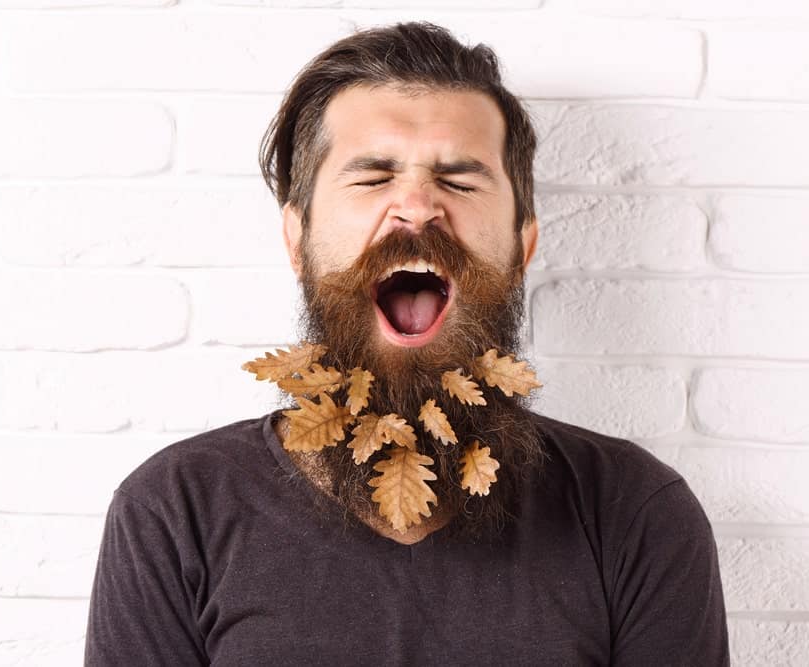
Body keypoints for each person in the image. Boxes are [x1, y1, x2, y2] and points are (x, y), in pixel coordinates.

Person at [85, 22, 729, 665]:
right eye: (371, 177)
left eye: (460, 180)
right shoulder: (174, 511)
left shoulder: (636, 513)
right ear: (297, 240)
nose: (417, 208)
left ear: (522, 246)